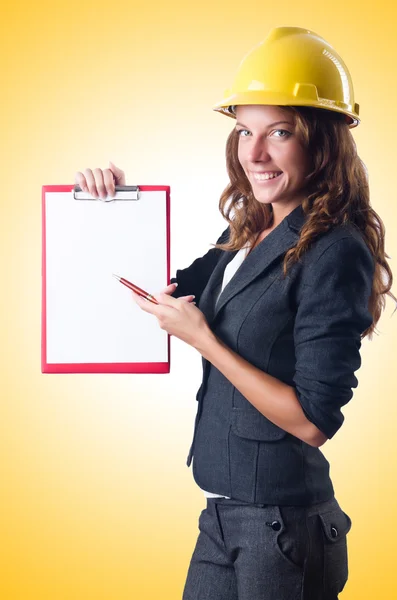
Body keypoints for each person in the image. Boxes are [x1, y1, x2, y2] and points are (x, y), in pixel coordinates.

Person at [74, 26, 395, 600]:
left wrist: (207, 342)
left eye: (279, 132)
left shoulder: (337, 249)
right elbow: (162, 295)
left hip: (284, 531)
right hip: (222, 518)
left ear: (321, 141)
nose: (254, 152)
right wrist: (114, 207)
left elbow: (314, 420)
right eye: (245, 131)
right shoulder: (252, 227)